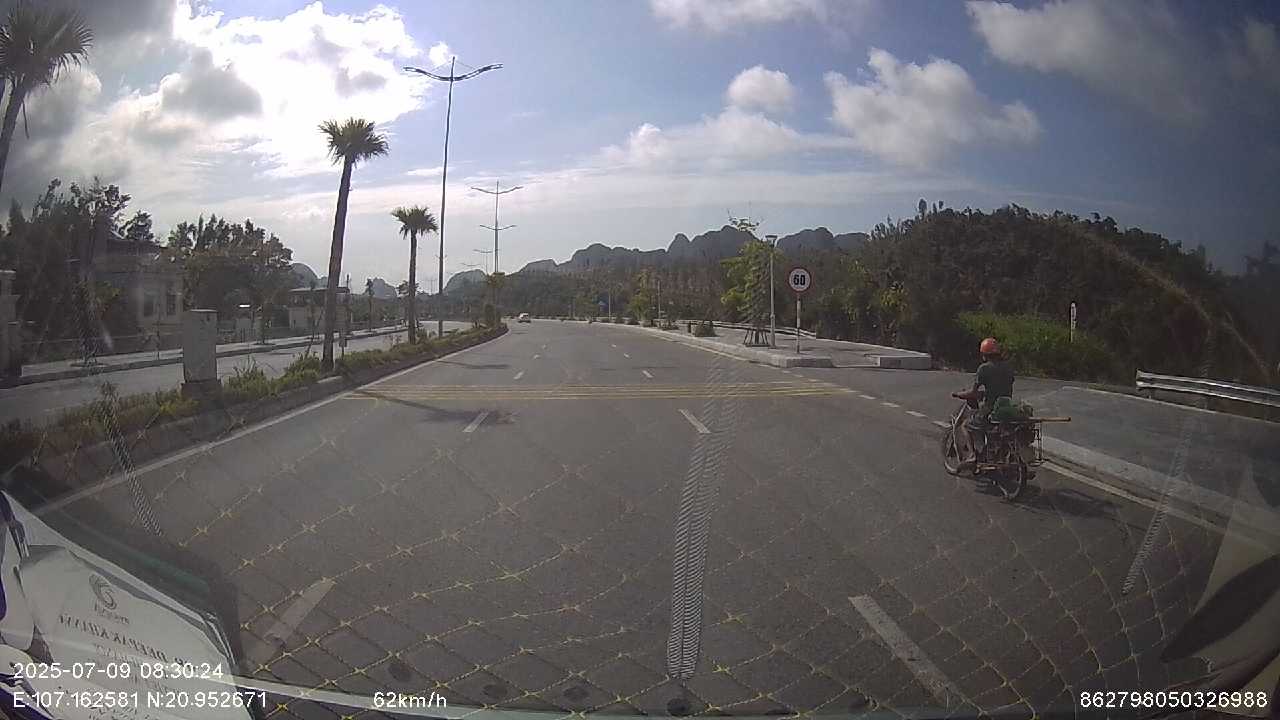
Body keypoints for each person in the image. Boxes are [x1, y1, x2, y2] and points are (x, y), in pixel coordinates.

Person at [952, 337, 1015, 472]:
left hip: (990, 410)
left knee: (965, 425)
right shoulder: (1008, 368)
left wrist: (959, 394)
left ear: (984, 355)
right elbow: (1002, 387)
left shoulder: (984, 369)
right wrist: (986, 393)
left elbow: (973, 392)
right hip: (1007, 408)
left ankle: (972, 456)